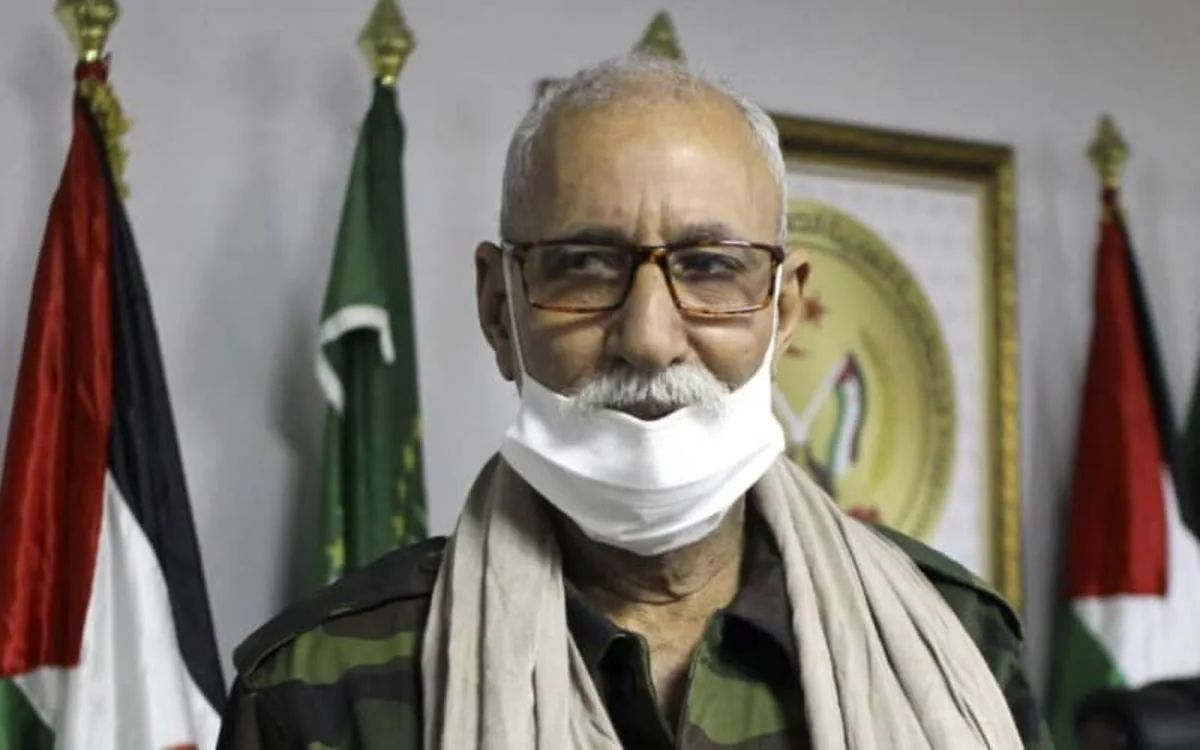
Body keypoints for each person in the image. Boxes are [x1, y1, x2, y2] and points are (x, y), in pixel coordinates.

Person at [216, 54, 1050, 749]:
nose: (648, 338)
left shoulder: (956, 639)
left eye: (712, 267)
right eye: (584, 264)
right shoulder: (320, 689)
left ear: (785, 311)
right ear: (499, 310)